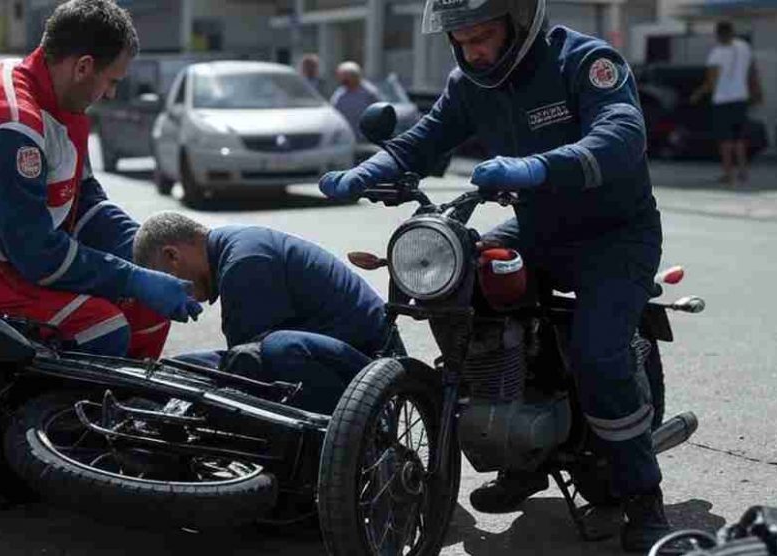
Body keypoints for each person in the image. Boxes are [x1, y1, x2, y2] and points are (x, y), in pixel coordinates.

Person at [318, 0, 670, 551]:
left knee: (599, 353)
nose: (472, 49)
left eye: (482, 35)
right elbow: (424, 139)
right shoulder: (469, 83)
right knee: (453, 285)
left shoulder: (585, 62)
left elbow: (622, 136)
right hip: (537, 229)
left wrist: (540, 166)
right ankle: (522, 455)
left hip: (614, 236)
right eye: (462, 40)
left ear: (520, 23)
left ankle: (642, 498)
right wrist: (369, 171)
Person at [0, 0, 201, 358]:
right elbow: (38, 257)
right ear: (83, 67)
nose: (111, 94)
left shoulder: (61, 101)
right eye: (112, 81)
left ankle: (128, 408)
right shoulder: (11, 124)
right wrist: (133, 277)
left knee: (149, 309)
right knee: (101, 326)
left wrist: (148, 252)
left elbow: (83, 202)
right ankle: (52, 415)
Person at [132, 211, 396, 414]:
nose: (179, 294)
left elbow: (245, 363)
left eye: (167, 279)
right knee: (175, 368)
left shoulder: (244, 261)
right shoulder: (234, 249)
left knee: (272, 350)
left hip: (371, 365)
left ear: (173, 256)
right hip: (330, 352)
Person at [691, 21, 760, 184]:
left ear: (719, 35)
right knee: (739, 138)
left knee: (725, 140)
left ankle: (728, 174)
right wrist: (756, 91)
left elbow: (711, 82)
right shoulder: (744, 47)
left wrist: (697, 94)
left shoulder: (717, 53)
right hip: (741, 98)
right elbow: (752, 71)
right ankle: (743, 172)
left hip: (722, 100)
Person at [330, 61, 381, 141]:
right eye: (341, 77)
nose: (343, 80)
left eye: (346, 77)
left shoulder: (369, 92)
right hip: (346, 137)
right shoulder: (339, 93)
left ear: (355, 76)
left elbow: (379, 114)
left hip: (366, 138)